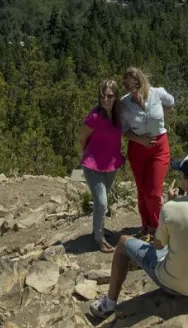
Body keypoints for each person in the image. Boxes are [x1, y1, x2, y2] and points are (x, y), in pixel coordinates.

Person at [88, 152, 188, 320]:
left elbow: (158, 245)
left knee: (123, 242)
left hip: (174, 284)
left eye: (182, 176)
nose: (180, 178)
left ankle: (109, 304)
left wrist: (170, 202)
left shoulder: (171, 209)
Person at [120, 67, 174, 238]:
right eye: (128, 87)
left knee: (154, 192)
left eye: (136, 85)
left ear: (143, 81)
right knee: (142, 190)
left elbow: (171, 102)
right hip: (137, 148)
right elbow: (123, 130)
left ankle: (161, 230)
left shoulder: (157, 93)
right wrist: (140, 140)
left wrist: (161, 117)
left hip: (159, 146)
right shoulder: (124, 103)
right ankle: (147, 226)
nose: (133, 90)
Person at [79, 79, 126, 253]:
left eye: (110, 95)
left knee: (103, 199)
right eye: (102, 95)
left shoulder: (118, 116)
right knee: (101, 201)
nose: (105, 99)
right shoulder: (94, 116)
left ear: (115, 97)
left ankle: (98, 229)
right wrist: (90, 155)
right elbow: (82, 137)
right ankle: (99, 238)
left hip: (110, 163)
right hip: (93, 165)